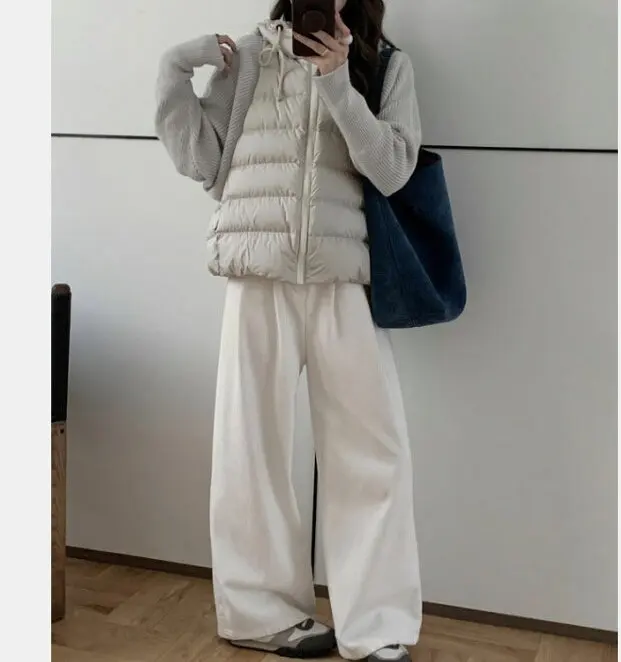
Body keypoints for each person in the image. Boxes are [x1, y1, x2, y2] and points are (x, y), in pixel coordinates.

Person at [155, 1, 422, 660]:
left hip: (343, 282)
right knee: (250, 451)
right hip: (257, 277)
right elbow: (205, 164)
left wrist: (338, 84)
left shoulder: (386, 65)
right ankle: (259, 614)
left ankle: (377, 625)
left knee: (372, 453)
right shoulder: (247, 57)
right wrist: (174, 71)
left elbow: (393, 170)